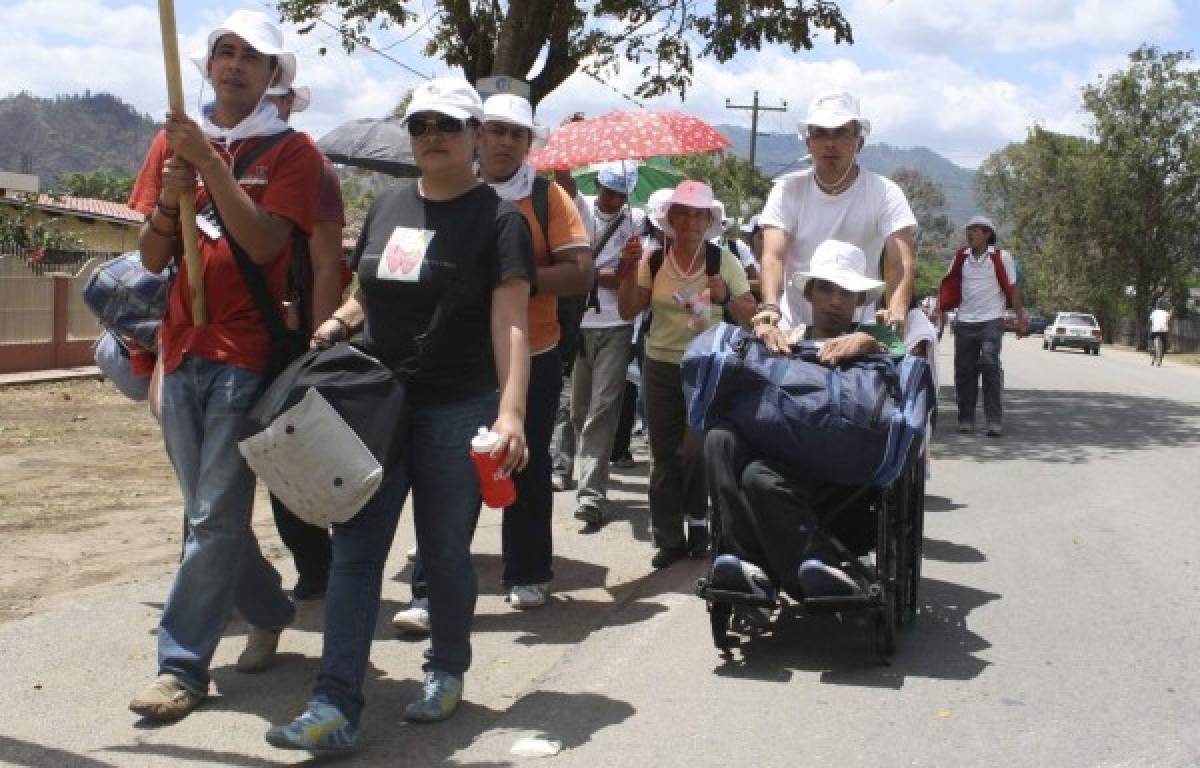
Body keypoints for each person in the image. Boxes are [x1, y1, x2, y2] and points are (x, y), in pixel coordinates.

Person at [266, 78, 534, 753]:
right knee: (356, 554)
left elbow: (511, 324)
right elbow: (370, 289)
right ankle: (333, 704)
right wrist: (335, 323)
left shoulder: (499, 220)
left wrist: (511, 413)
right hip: (377, 407)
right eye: (420, 125)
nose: (432, 135)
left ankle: (445, 669)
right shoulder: (388, 206)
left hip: (459, 405)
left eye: (447, 123)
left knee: (444, 553)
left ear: (476, 134)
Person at [125, 9, 319, 722]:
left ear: (274, 77)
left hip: (248, 356)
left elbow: (268, 245)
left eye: (253, 57)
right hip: (183, 348)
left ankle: (179, 669)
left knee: (210, 517)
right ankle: (268, 607)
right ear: (209, 65)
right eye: (225, 52)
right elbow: (150, 258)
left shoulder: (292, 152)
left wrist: (210, 167)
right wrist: (169, 204)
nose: (235, 64)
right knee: (209, 514)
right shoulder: (172, 143)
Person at [394, 93, 590, 625]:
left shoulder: (549, 200)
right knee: (444, 473)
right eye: (496, 131)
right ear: (477, 135)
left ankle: (526, 571)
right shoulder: (442, 191)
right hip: (456, 357)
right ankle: (429, 588)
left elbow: (579, 273)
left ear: (528, 145)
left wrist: (512, 279)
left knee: (521, 463)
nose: (505, 142)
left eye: (516, 134)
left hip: (535, 350)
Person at [705, 239, 931, 600]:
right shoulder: (786, 340)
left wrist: (870, 339)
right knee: (721, 438)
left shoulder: (879, 342)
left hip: (848, 477)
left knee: (758, 477)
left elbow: (906, 351)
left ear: (860, 300)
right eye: (825, 288)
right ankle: (748, 563)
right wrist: (761, 335)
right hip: (784, 460)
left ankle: (814, 563)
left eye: (845, 291)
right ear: (809, 293)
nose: (834, 300)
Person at [617, 181, 755, 568]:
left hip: (706, 367)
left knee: (694, 451)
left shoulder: (722, 260)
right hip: (658, 364)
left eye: (699, 214)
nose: (691, 221)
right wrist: (627, 269)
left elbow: (751, 312)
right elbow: (629, 310)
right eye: (684, 213)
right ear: (670, 218)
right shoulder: (654, 259)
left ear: (709, 219)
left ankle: (699, 520)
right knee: (663, 456)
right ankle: (669, 538)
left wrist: (726, 295)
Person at [262, 81, 347, 601]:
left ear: (290, 103)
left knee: (285, 459)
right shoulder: (216, 154)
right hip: (218, 335)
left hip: (286, 340)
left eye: (277, 97)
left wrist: (319, 350)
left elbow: (324, 264)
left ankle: (317, 567)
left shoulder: (310, 163)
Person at [756, 90, 918, 344]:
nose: (830, 143)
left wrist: (897, 310)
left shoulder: (885, 192)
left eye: (841, 132)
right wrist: (769, 307)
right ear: (808, 143)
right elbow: (773, 255)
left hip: (859, 334)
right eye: (820, 133)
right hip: (793, 330)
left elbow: (901, 262)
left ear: (859, 142)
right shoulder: (787, 190)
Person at [568, 162, 644, 530]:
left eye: (619, 193)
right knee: (579, 409)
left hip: (617, 325)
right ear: (598, 185)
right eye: (608, 191)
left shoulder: (636, 222)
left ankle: (591, 496)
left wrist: (625, 267)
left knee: (603, 408)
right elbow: (563, 185)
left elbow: (628, 279)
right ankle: (583, 469)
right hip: (579, 325)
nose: (612, 199)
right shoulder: (581, 209)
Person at [937, 215, 1026, 436]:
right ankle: (965, 418)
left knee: (989, 364)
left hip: (991, 320)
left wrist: (1020, 318)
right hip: (965, 321)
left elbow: (1013, 289)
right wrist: (938, 310)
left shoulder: (1001, 257)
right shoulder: (960, 257)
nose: (970, 234)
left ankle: (993, 420)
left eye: (976, 230)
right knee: (964, 371)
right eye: (969, 230)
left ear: (988, 234)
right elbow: (948, 284)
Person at [1149, 302, 1171, 366]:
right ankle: (1160, 358)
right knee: (1164, 344)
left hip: (1155, 330)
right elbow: (1168, 321)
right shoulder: (1166, 313)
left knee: (1151, 339)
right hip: (1163, 331)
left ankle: (1152, 349)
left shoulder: (1154, 312)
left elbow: (1151, 321)